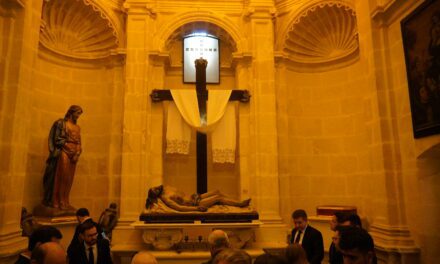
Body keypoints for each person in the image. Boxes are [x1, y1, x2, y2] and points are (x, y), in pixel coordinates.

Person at [42, 105, 83, 210]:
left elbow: (79, 142)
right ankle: (56, 200)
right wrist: (68, 148)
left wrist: (77, 153)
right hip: (64, 151)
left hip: (74, 154)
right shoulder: (61, 123)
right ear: (71, 112)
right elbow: (56, 139)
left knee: (69, 178)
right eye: (77, 113)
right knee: (61, 176)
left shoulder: (78, 127)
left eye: (79, 114)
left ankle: (65, 200)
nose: (78, 116)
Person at [145, 185, 251, 212]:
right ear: (156, 195)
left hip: (194, 197)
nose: (157, 188)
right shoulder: (165, 198)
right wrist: (196, 209)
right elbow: (179, 208)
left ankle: (236, 201)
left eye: (155, 187)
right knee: (218, 198)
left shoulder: (166, 189)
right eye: (155, 190)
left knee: (217, 191)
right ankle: (240, 205)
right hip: (194, 204)